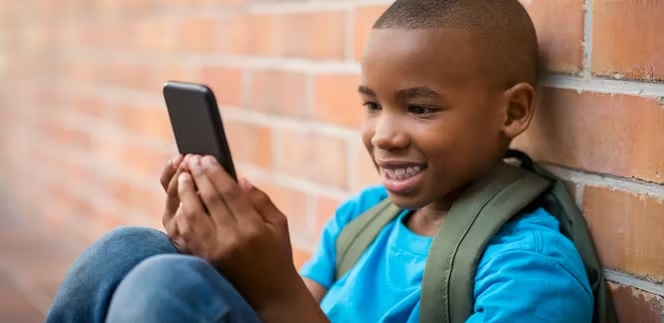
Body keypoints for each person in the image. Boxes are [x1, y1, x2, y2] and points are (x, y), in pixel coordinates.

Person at [45, 0, 594, 322]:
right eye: (372, 105)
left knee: (166, 289)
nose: (384, 135)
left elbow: (283, 306)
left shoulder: (528, 268)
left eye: (420, 108)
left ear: (513, 110)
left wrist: (274, 286)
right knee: (126, 250)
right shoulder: (363, 217)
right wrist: (234, 257)